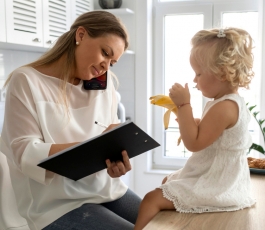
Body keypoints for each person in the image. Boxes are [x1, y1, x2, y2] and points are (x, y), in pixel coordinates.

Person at [0, 11, 141, 230]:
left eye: (112, 62)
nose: (106, 67)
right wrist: (90, 149)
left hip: (105, 189)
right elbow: (24, 152)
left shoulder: (105, 84)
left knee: (164, 223)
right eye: (105, 53)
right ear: (81, 35)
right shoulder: (27, 80)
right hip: (56, 204)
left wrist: (113, 163)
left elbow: (108, 133)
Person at [134, 27, 256, 230]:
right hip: (215, 174)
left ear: (223, 73)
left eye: (198, 73)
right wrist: (192, 122)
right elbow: (213, 134)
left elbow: (194, 144)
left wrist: (184, 106)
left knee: (150, 199)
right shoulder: (225, 103)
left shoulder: (225, 107)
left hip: (217, 183)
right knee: (167, 181)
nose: (194, 80)